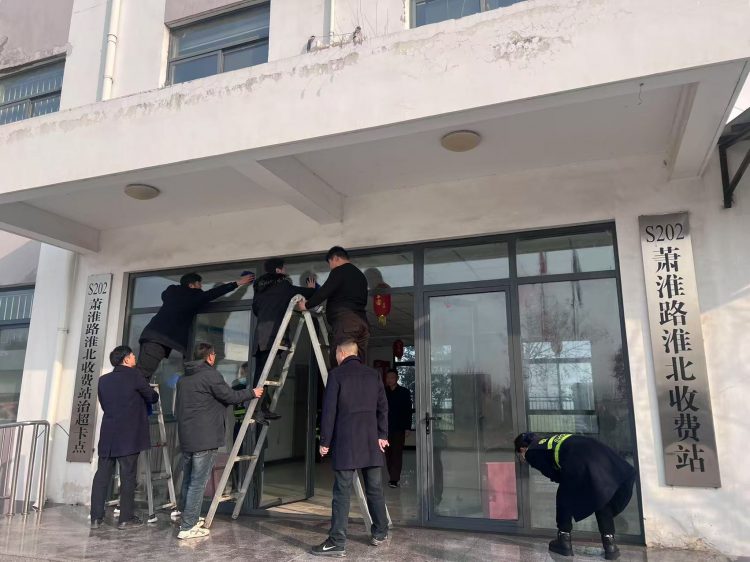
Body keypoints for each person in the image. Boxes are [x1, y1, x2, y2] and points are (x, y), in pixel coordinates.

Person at [175, 343, 263, 540]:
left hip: (188, 436)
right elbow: (229, 396)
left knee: (189, 479)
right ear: (210, 357)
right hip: (205, 438)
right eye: (214, 354)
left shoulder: (183, 378)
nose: (215, 357)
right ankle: (188, 527)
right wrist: (252, 393)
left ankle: (187, 518)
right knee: (198, 482)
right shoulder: (210, 375)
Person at [311, 340, 389, 557]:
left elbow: (329, 411)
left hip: (347, 443)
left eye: (336, 353)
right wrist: (382, 435)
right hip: (371, 441)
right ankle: (380, 532)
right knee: (375, 489)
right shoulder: (373, 375)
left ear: (342, 353)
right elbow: (383, 407)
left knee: (342, 492)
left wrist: (325, 441)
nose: (336, 357)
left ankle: (337, 542)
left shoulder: (336, 375)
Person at [514, 432, 636, 560]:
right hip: (600, 453)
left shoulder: (532, 451)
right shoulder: (550, 439)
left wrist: (565, 480)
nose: (522, 457)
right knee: (601, 496)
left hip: (579, 460)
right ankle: (610, 544)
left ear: (522, 449)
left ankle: (564, 540)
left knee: (564, 495)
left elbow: (553, 474)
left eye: (520, 454)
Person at [89, 345, 159, 530]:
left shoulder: (103, 380)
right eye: (132, 355)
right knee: (128, 477)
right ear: (126, 359)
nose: (135, 357)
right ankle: (125, 518)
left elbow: (105, 405)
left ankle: (96, 518)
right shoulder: (135, 376)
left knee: (102, 476)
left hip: (108, 434)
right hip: (129, 435)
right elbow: (151, 397)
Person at [137, 271, 254, 381]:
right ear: (191, 285)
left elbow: (168, 295)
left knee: (145, 373)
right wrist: (239, 283)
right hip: (161, 340)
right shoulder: (193, 297)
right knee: (143, 375)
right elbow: (212, 294)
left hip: (154, 336)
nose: (201, 287)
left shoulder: (172, 292)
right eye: (199, 284)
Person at [252, 257, 316, 421]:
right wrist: (311, 289)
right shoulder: (283, 285)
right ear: (278, 270)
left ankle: (261, 408)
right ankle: (256, 410)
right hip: (273, 335)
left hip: (261, 336)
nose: (286, 271)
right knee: (264, 375)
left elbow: (256, 309)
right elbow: (300, 292)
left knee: (262, 374)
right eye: (284, 269)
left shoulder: (259, 288)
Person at [299, 246, 369, 366]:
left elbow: (325, 291)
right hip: (362, 323)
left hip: (346, 323)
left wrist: (306, 305)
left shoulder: (340, 271)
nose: (330, 267)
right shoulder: (360, 276)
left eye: (330, 263)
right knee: (359, 363)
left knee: (340, 360)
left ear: (335, 258)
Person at [383, 369, 412, 488]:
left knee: (397, 453)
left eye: (392, 377)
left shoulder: (404, 392)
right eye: (388, 377)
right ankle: (392, 475)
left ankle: (394, 479)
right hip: (386, 427)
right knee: (388, 453)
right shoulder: (383, 392)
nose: (389, 380)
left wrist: (407, 427)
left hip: (399, 427)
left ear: (397, 378)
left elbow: (408, 411)